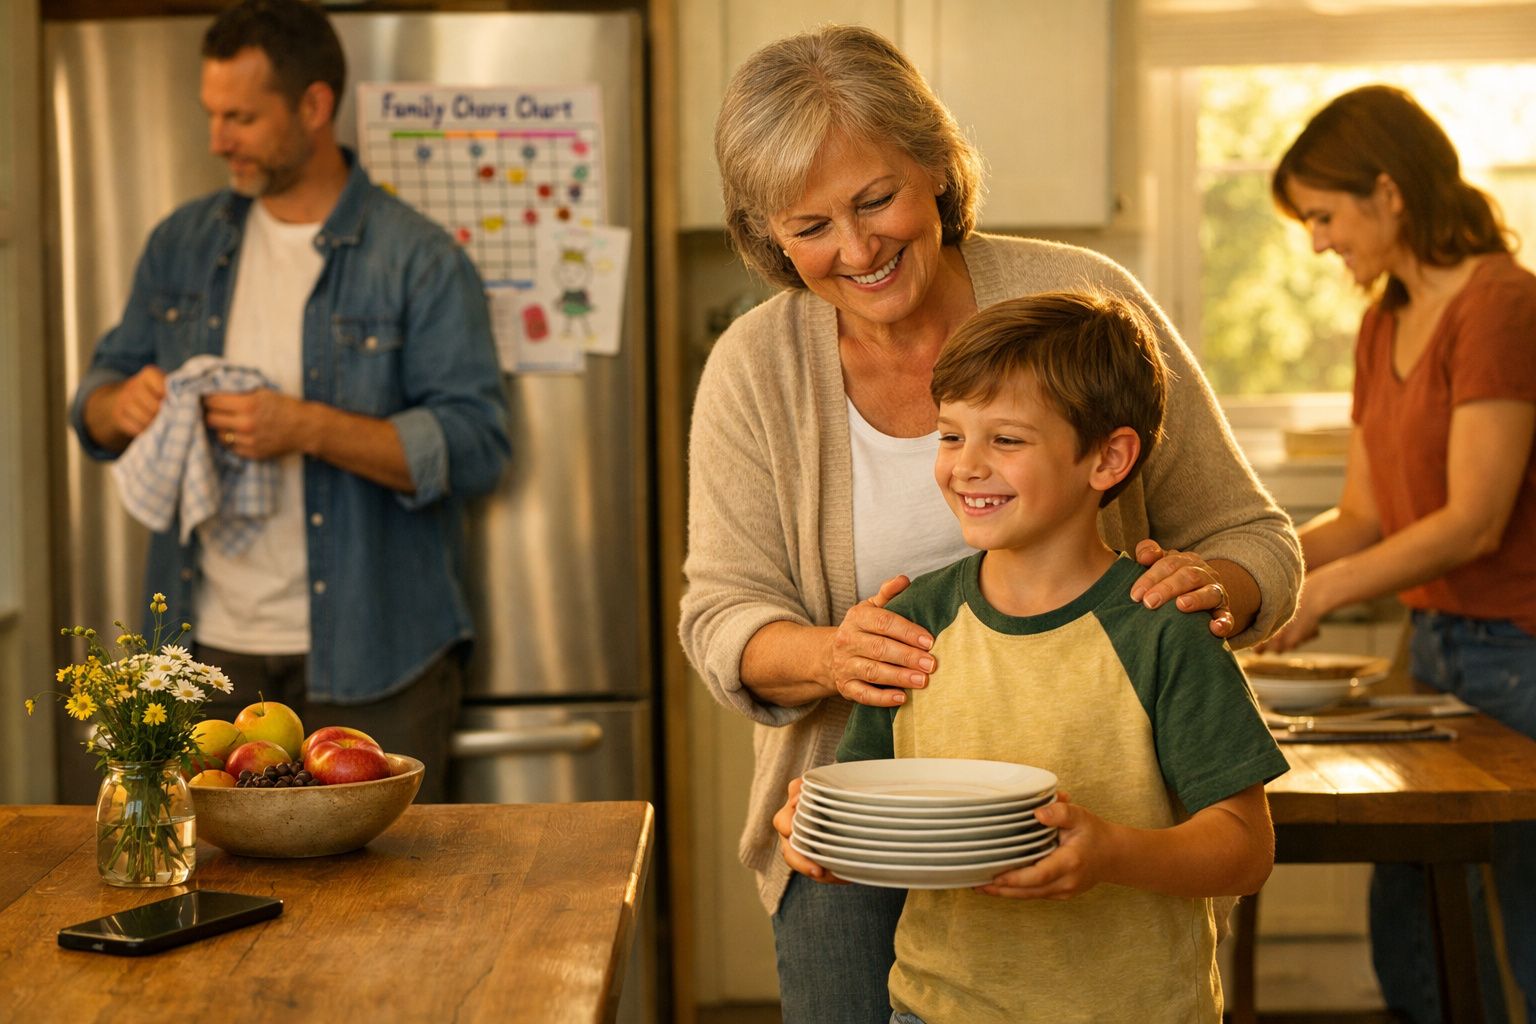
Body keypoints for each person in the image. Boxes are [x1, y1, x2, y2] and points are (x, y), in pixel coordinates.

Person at [679, 24, 1302, 1024]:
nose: (857, 249)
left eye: (875, 200)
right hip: (864, 817)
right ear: (769, 236)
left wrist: (1204, 591)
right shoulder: (754, 369)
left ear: (936, 166)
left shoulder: (1084, 306)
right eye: (812, 225)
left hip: (1099, 816)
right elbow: (720, 616)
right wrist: (833, 655)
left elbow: (1255, 539)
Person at [775, 291, 1288, 1023]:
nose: (965, 466)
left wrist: (1111, 853)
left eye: (1007, 440)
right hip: (933, 1010)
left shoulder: (1162, 630)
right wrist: (820, 833)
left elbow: (1245, 849)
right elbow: (866, 812)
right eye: (950, 436)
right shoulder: (913, 625)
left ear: (1108, 458)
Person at [67, 0, 510, 801]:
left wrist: (306, 426)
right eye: (211, 114)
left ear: (313, 105)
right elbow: (93, 404)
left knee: (386, 881)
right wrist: (119, 403)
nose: (217, 139)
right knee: (206, 873)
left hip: (379, 654)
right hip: (205, 657)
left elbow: (477, 446)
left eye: (240, 117)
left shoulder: (418, 258)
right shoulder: (180, 246)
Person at [1267, 84, 1536, 1023]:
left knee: (1526, 920)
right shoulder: (1385, 319)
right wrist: (1255, 572)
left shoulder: (1502, 305)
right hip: (1433, 651)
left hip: (1520, 655)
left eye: (1324, 216)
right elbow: (1364, 515)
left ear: (1388, 191)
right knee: (1415, 920)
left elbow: (1475, 522)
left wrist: (1322, 592)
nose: (1318, 242)